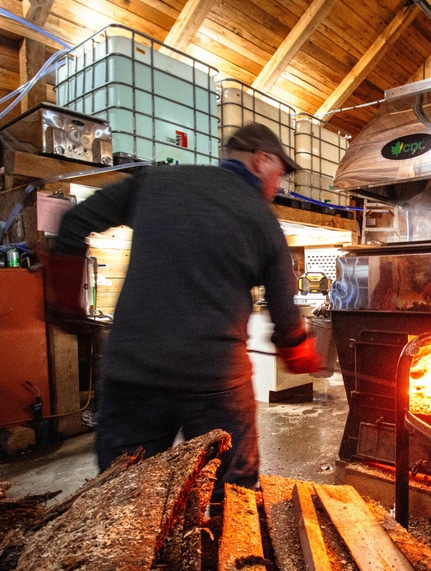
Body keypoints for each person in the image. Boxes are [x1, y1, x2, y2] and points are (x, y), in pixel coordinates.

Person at [44, 122, 321, 503]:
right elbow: (285, 306)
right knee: (232, 494)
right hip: (214, 381)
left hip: (132, 373)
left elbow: (74, 223)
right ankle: (226, 558)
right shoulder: (261, 217)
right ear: (260, 160)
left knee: (126, 497)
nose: (280, 186)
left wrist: (64, 303)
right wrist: (297, 349)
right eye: (280, 174)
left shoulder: (156, 181)